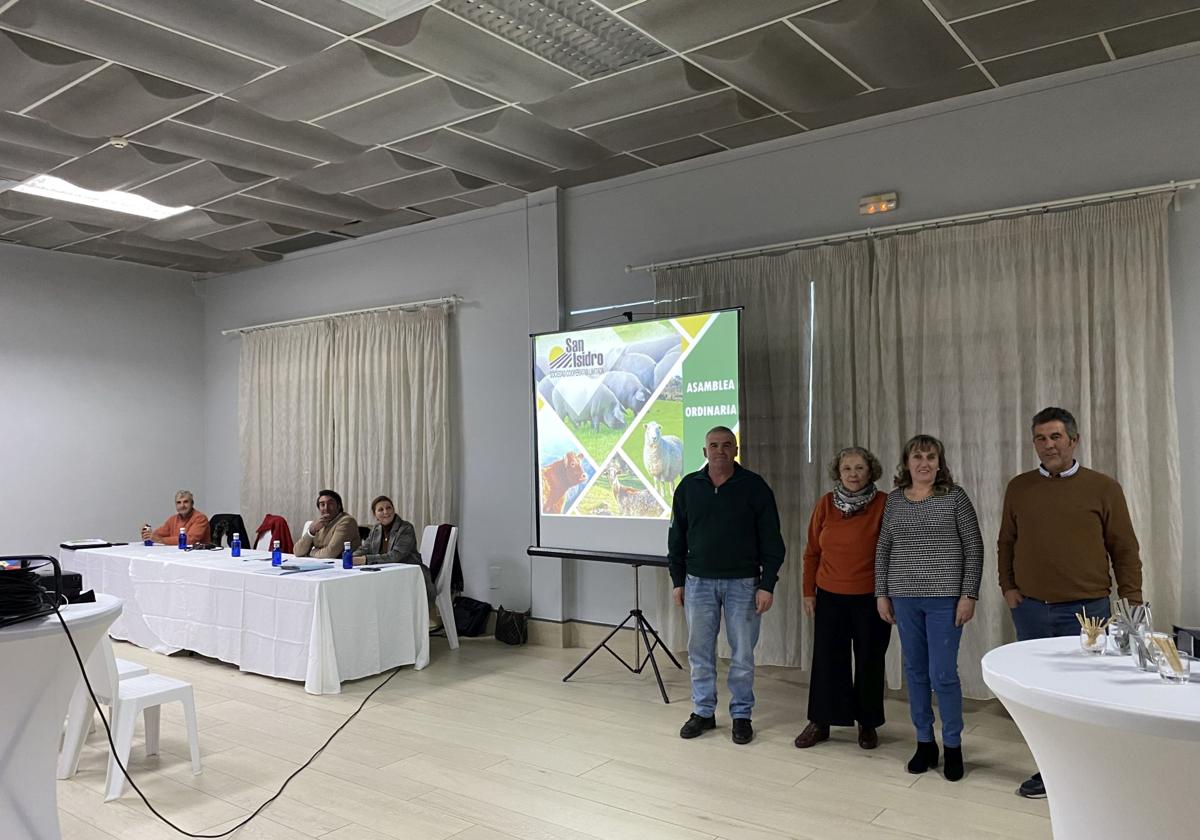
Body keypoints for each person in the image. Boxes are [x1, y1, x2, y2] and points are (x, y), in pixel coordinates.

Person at [998, 406, 1142, 799]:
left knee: (1088, 694)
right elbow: (1006, 542)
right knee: (1040, 697)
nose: (1048, 445)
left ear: (1074, 440)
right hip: (1030, 609)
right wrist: (1007, 587)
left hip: (1088, 612)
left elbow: (1124, 549)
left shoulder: (1103, 487)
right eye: (1041, 439)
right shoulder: (1019, 487)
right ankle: (1048, 772)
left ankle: (1092, 772)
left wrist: (1132, 605)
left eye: (1056, 437)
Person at [668, 426, 785, 746]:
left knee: (743, 654)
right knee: (700, 651)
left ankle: (741, 715)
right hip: (697, 583)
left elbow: (773, 542)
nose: (720, 450)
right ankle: (703, 712)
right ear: (704, 452)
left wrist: (766, 584)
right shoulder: (688, 487)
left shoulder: (754, 487)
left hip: (744, 585)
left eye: (726, 445)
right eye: (713, 445)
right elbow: (676, 538)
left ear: (735, 450)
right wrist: (678, 581)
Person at [875, 435, 982, 783]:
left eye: (931, 457)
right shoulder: (894, 501)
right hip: (904, 597)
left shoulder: (955, 498)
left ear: (940, 462)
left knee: (943, 674)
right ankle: (925, 742)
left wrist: (969, 595)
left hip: (945, 599)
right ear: (906, 463)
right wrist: (882, 594)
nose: (924, 463)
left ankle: (952, 744)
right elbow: (883, 549)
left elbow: (974, 549)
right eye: (917, 457)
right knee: (915, 671)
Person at [794, 446, 891, 751]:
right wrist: (808, 592)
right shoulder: (825, 504)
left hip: (871, 598)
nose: (853, 474)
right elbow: (812, 552)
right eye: (847, 468)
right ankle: (821, 722)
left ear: (870, 471)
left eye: (859, 468)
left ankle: (868, 724)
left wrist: (887, 595)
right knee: (827, 662)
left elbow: (893, 553)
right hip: (829, 597)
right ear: (838, 472)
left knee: (869, 661)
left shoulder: (885, 504)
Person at [354, 495, 434, 601]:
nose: (386, 512)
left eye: (388, 508)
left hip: (409, 576)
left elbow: (396, 556)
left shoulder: (406, 528)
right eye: (381, 510)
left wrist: (365, 559)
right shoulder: (376, 529)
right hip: (386, 575)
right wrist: (351, 557)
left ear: (394, 510)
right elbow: (365, 548)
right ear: (375, 515)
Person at [294, 489, 361, 559]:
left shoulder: (347, 521)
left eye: (330, 504)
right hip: (321, 564)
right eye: (322, 504)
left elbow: (330, 553)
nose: (326, 508)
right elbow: (297, 552)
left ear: (339, 506)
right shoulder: (318, 523)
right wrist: (311, 531)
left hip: (342, 566)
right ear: (319, 508)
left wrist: (311, 552)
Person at [141, 490, 210, 546]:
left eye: (186, 502)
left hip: (196, 555)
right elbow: (156, 535)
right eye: (179, 503)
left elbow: (190, 540)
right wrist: (147, 534)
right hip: (177, 553)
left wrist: (160, 540)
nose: (182, 505)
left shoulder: (200, 518)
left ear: (192, 503)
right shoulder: (173, 519)